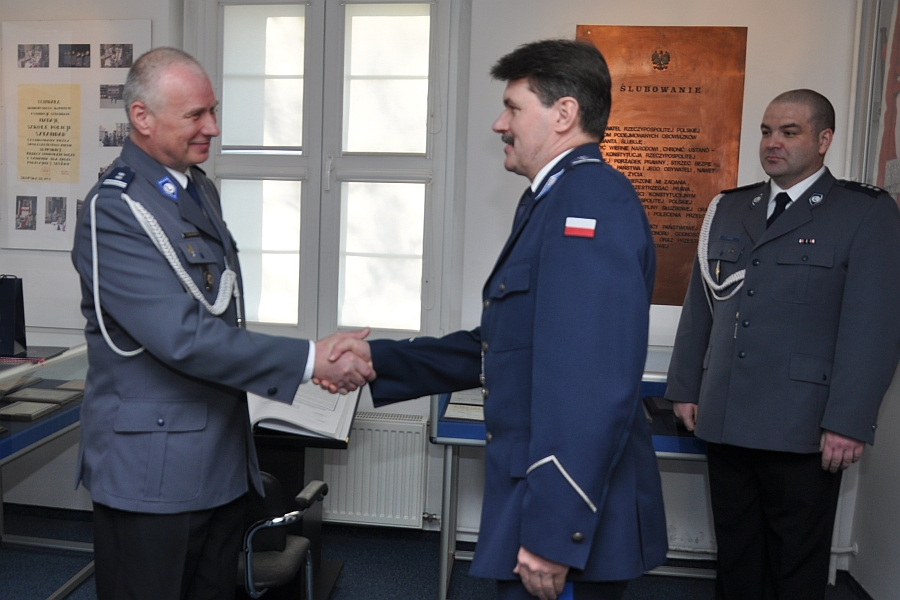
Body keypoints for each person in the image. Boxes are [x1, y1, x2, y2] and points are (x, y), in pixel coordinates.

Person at [326, 39, 668, 600]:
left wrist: (555, 534)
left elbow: (588, 384)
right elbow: (504, 345)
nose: (498, 123)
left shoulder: (587, 203)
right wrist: (377, 359)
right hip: (544, 504)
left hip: (565, 522)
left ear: (564, 114)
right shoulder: (553, 197)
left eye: (512, 107)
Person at [71, 47, 373, 600]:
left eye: (213, 110)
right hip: (154, 475)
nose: (212, 126)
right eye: (195, 115)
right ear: (142, 117)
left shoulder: (196, 188)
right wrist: (312, 359)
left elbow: (219, 308)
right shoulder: (115, 209)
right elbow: (184, 337)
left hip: (219, 463)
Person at [665, 89, 900, 600]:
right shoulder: (730, 208)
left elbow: (874, 328)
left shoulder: (864, 212)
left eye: (789, 132)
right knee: (736, 554)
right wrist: (685, 386)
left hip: (803, 424)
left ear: (824, 140)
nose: (773, 142)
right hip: (726, 412)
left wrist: (848, 420)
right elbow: (700, 305)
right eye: (767, 131)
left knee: (795, 564)